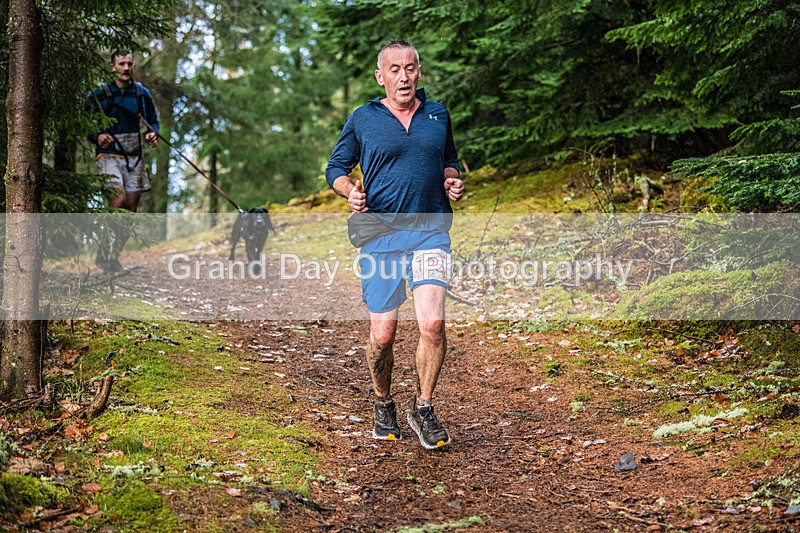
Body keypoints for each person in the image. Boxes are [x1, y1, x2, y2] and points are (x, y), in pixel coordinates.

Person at [326, 40, 465, 450]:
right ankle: (383, 401)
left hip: (430, 232)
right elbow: (336, 166)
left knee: (433, 325)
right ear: (380, 76)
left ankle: (423, 407)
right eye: (394, 69)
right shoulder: (363, 118)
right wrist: (348, 189)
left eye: (409, 68)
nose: (402, 77)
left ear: (418, 72)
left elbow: (449, 158)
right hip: (381, 237)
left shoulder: (437, 115)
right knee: (383, 333)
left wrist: (451, 179)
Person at [86, 51, 160, 274]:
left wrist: (152, 133)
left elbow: (153, 122)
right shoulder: (99, 94)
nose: (126, 67)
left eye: (130, 63)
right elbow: (86, 122)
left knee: (131, 207)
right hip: (108, 154)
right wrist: (97, 135)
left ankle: (113, 258)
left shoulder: (141, 93)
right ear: (113, 67)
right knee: (116, 201)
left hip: (134, 155)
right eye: (122, 64)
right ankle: (103, 251)